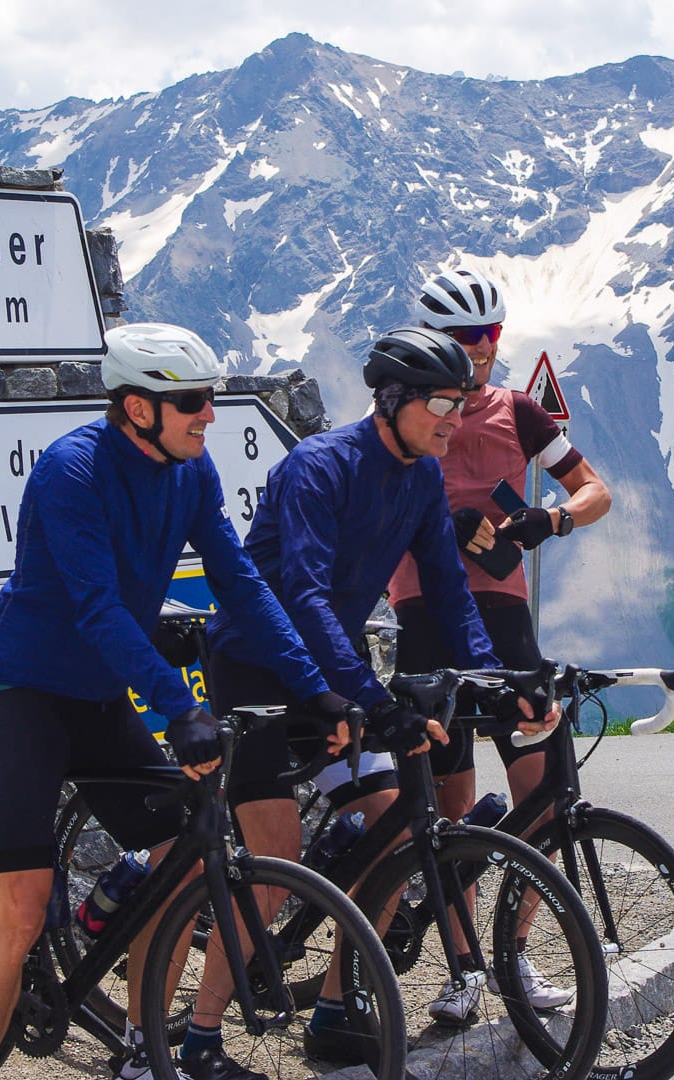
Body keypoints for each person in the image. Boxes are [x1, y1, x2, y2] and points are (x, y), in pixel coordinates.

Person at [0, 323, 354, 1080]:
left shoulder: (190, 472)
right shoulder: (70, 471)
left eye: (210, 400)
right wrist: (181, 708)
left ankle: (145, 1053)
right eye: (193, 403)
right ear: (139, 409)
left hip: (101, 693)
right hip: (30, 692)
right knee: (24, 909)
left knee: (176, 862)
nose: (210, 415)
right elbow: (99, 608)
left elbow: (241, 582)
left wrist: (315, 688)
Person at [200, 327, 556, 1060]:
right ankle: (200, 1034)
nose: (454, 421)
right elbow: (302, 595)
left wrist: (497, 680)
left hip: (331, 665)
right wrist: (374, 699)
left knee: (395, 821)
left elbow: (453, 593)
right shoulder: (318, 468)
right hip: (255, 666)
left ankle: (338, 1003)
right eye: (440, 404)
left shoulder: (421, 475)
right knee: (274, 856)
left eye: (462, 404)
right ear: (392, 401)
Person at [387, 267, 612, 1022]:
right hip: (425, 619)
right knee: (449, 812)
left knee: (543, 800)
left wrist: (555, 520)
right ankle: (463, 970)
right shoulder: (404, 411)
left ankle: (514, 955)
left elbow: (596, 491)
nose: (477, 349)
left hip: (507, 624)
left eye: (487, 335)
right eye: (460, 337)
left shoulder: (518, 412)